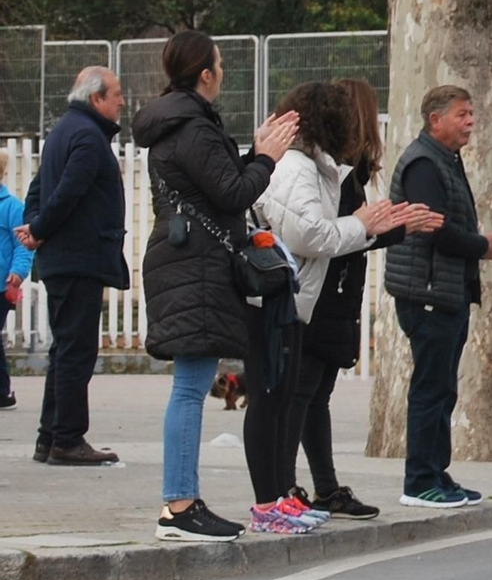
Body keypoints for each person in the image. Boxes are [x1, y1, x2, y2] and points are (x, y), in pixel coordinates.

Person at [136, 31, 299, 541]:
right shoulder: (193, 128)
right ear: (205, 74)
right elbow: (232, 193)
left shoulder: (178, 123)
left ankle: (181, 502)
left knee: (191, 384)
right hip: (195, 266)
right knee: (190, 387)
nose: (223, 72)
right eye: (220, 65)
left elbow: (215, 187)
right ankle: (179, 506)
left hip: (187, 259)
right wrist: (266, 158)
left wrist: (254, 153)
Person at [265, 81, 437, 520]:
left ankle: (319, 487)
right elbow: (326, 235)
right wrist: (382, 227)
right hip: (320, 295)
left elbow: (348, 232)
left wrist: (384, 226)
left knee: (313, 395)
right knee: (301, 395)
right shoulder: (317, 170)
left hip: (332, 294)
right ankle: (284, 488)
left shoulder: (336, 171)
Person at [386, 83, 492, 507]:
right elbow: (434, 228)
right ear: (435, 120)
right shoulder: (423, 163)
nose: (470, 122)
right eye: (462, 114)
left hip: (447, 291)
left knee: (443, 390)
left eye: (471, 113)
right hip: (427, 292)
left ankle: (437, 472)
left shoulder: (445, 159)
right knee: (430, 388)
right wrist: (481, 246)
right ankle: (419, 481)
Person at [17, 68, 130, 464]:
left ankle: (49, 438)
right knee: (76, 351)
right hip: (80, 258)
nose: (122, 101)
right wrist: (39, 229)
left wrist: (35, 227)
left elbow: (38, 189)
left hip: (64, 258)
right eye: (116, 94)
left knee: (64, 348)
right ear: (96, 98)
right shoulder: (87, 136)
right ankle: (67, 439)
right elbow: (67, 192)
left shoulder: (63, 131)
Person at [1, 150, 32, 411]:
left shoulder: (12, 207)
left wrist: (19, 271)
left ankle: (2, 391)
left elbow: (22, 244)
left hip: (2, 285)